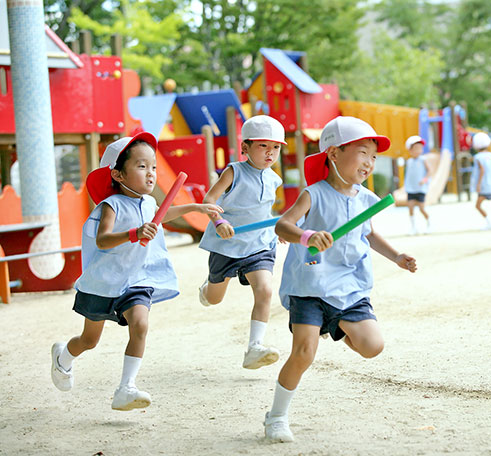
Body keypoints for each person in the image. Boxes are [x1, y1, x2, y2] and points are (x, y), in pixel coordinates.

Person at [263, 116, 417, 443]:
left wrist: (397, 257)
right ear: (333, 154)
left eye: (374, 156)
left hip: (349, 286)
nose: (369, 162)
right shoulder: (314, 194)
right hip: (311, 284)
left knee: (373, 346)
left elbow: (370, 235)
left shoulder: (366, 199)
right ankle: (276, 416)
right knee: (304, 353)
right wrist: (307, 236)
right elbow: (283, 226)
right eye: (362, 152)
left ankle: (335, 326)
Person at [50, 132, 222, 410]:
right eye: (142, 167)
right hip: (103, 282)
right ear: (117, 175)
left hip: (135, 280)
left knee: (140, 324)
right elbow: (103, 239)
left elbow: (162, 214)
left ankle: (126, 387)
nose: (151, 173)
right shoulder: (111, 205)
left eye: (153, 166)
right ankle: (63, 357)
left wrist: (197, 207)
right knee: (89, 340)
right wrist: (134, 233)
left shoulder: (148, 202)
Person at [197, 115, 285, 369]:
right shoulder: (234, 171)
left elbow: (265, 209)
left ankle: (254, 347)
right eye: (263, 146)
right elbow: (210, 199)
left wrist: (277, 227)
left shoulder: (274, 178)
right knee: (214, 298)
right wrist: (219, 223)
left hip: (260, 243)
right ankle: (207, 287)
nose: (271, 153)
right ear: (245, 148)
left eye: (276, 147)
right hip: (229, 243)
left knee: (265, 289)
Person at [469, 132, 491, 230]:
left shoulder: (477, 157)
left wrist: (478, 185)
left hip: (484, 186)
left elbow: (482, 170)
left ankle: (489, 222)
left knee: (478, 205)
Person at [403, 135, 431, 235]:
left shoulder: (423, 159)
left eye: (420, 148)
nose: (418, 150)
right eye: (416, 148)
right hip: (411, 189)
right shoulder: (409, 161)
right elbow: (408, 176)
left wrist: (424, 179)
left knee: (421, 208)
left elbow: (429, 171)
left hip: (420, 189)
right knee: (410, 208)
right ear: (410, 150)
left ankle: (429, 223)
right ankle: (413, 227)